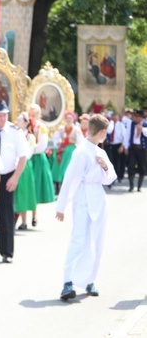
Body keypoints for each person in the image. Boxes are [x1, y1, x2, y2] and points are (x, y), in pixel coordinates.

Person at [56, 114, 117, 300]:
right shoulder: (81, 152)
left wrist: (105, 167)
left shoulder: (101, 152)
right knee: (79, 237)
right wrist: (61, 206)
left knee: (97, 240)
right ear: (101, 132)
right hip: (82, 197)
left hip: (98, 197)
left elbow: (111, 177)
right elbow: (70, 179)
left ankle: (90, 279)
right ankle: (67, 282)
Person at [0, 100, 29, 264]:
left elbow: (23, 157)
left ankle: (7, 252)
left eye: (5, 115)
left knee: (6, 217)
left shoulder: (15, 132)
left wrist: (15, 177)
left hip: (7, 177)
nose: (3, 118)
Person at [27, 104, 55, 226]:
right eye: (29, 115)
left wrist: (29, 149)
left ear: (39, 115)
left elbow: (42, 145)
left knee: (35, 186)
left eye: (34, 115)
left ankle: (34, 214)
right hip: (27, 157)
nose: (31, 117)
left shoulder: (41, 127)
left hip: (36, 157)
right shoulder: (25, 125)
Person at [13, 112, 37, 230]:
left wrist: (20, 159)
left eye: (20, 120)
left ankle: (24, 220)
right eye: (17, 120)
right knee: (16, 192)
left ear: (26, 123)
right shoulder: (16, 134)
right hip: (15, 164)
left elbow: (29, 152)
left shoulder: (30, 137)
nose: (17, 122)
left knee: (23, 191)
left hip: (24, 164)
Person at [52, 112, 85, 192]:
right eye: (67, 118)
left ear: (73, 119)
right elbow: (55, 138)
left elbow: (81, 141)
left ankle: (67, 185)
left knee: (67, 166)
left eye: (70, 118)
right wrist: (58, 143)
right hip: (62, 148)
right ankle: (58, 184)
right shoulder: (61, 129)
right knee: (58, 164)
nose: (69, 120)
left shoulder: (76, 129)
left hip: (71, 149)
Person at [124, 109, 147, 192]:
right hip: (133, 148)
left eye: (137, 117)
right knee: (130, 166)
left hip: (142, 149)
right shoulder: (131, 123)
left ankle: (139, 186)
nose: (135, 118)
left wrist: (142, 129)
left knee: (142, 167)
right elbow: (127, 135)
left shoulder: (145, 124)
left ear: (141, 117)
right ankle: (131, 185)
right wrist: (126, 146)